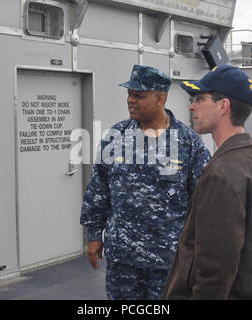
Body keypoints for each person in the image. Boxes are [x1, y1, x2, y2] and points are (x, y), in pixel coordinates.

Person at [80, 65, 211, 300]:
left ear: (161, 98)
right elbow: (98, 189)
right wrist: (93, 235)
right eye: (129, 94)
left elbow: (203, 202)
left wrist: (198, 251)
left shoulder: (188, 142)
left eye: (139, 96)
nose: (131, 100)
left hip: (168, 260)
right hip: (122, 259)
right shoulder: (115, 136)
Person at [162, 64, 252, 300]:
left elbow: (215, 271)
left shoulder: (221, 174)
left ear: (223, 106)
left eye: (199, 98)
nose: (192, 105)